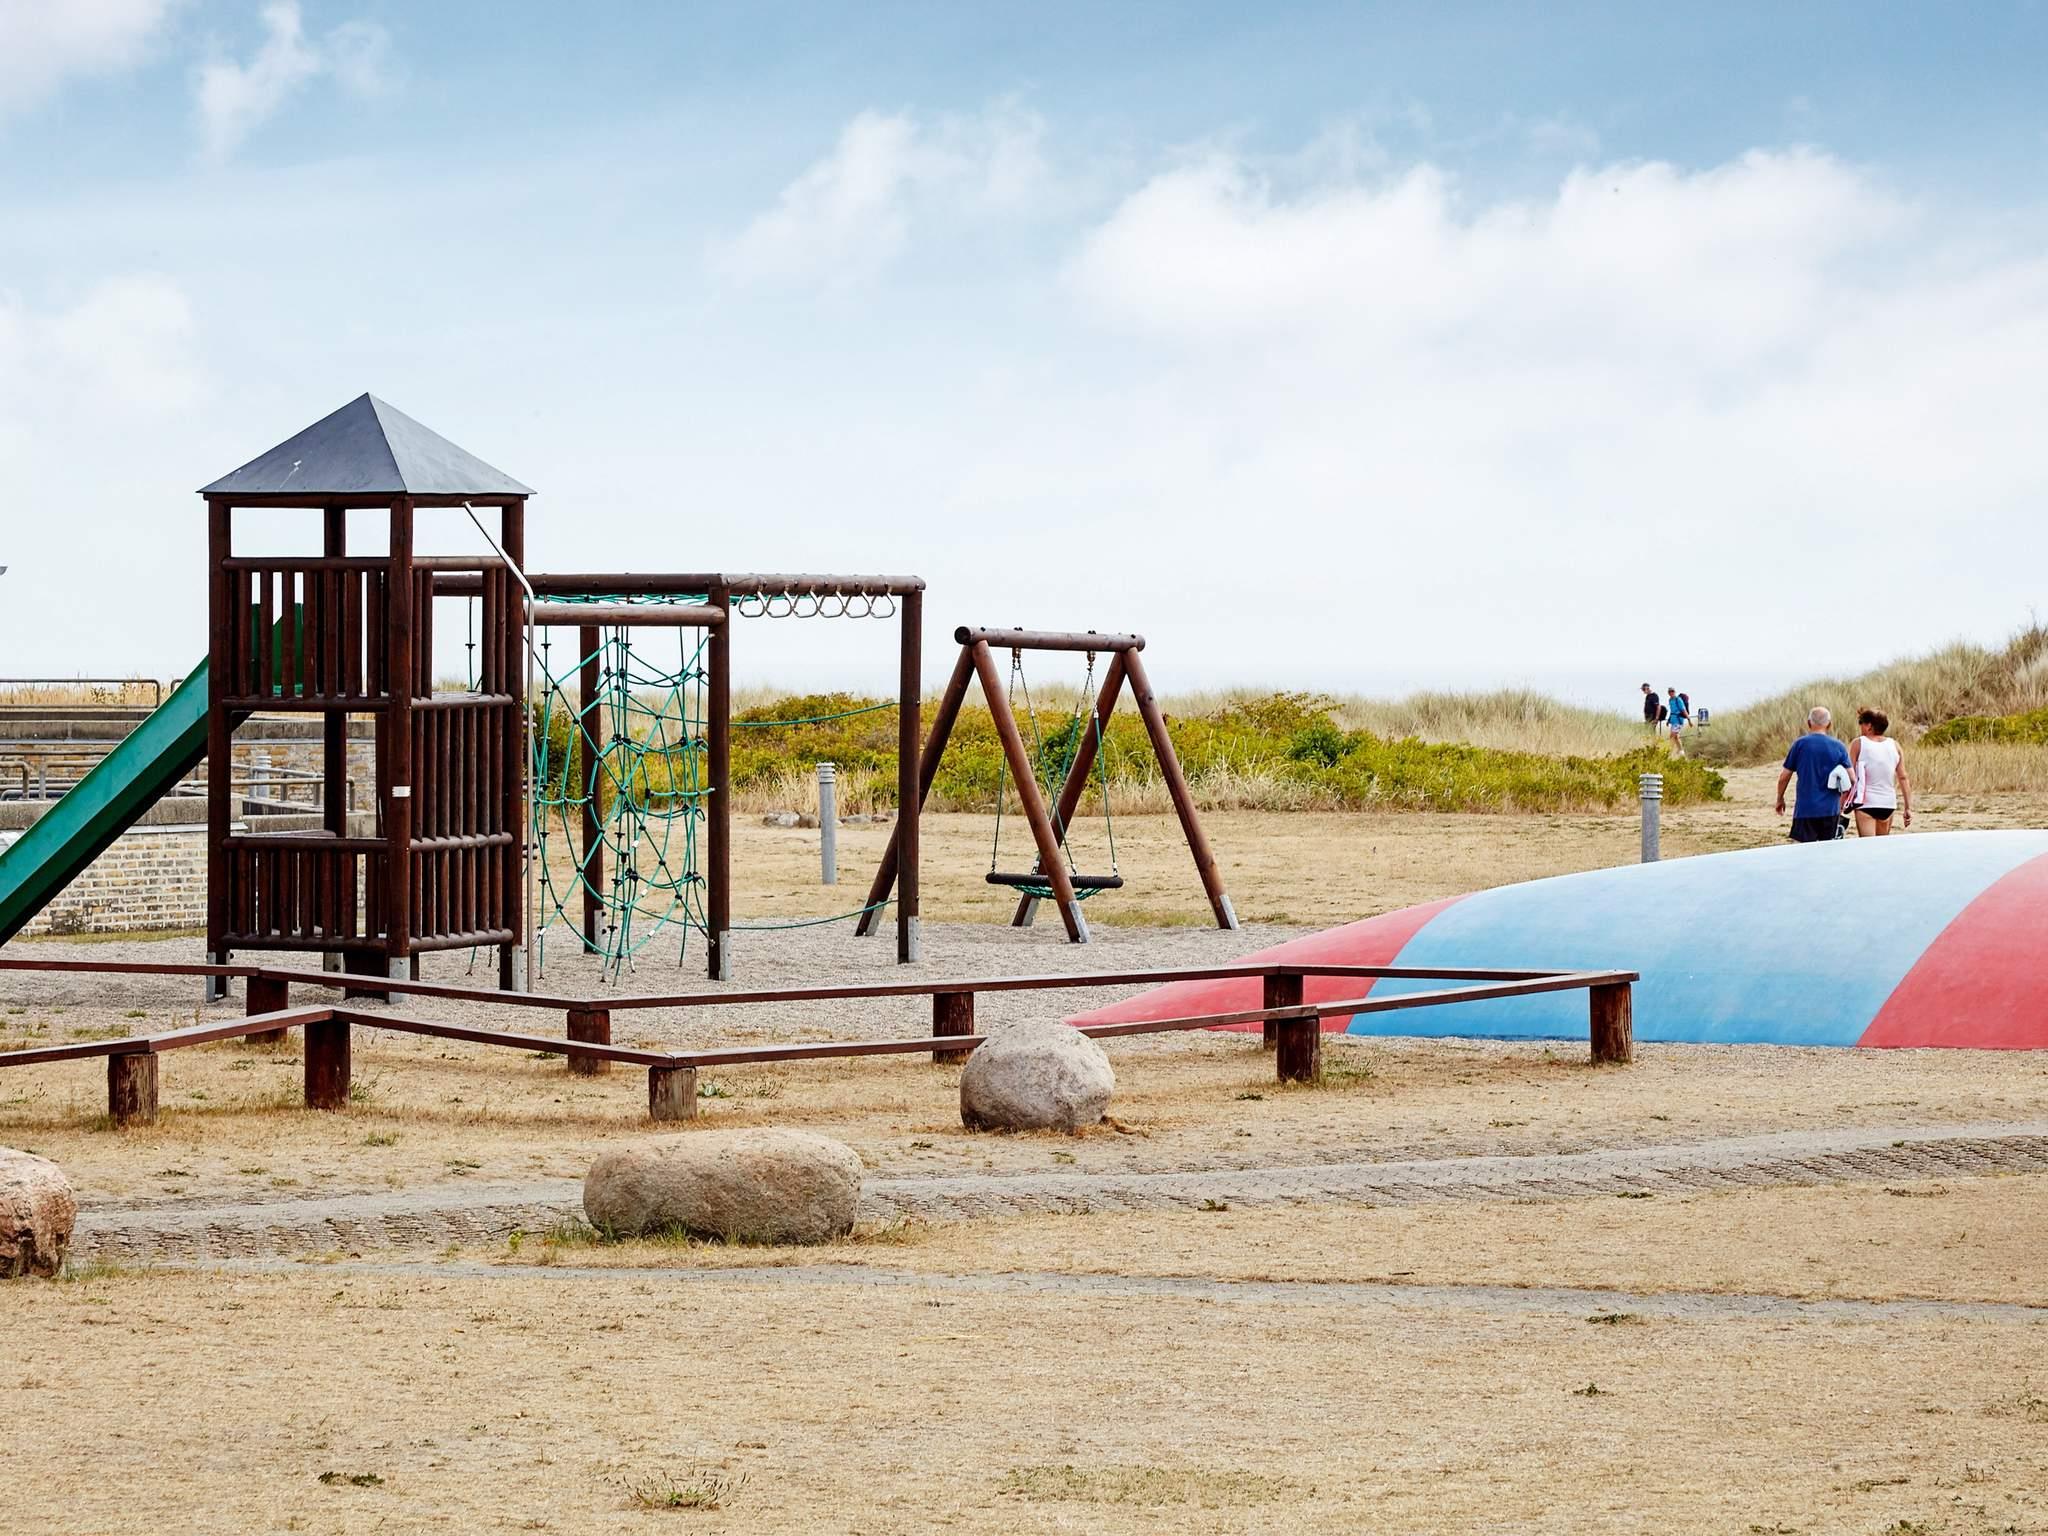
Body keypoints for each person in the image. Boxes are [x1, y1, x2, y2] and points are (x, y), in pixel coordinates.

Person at [1776, 706, 1852, 843]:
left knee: (1803, 850)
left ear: (1809, 723)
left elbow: (1784, 777)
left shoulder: (1800, 744)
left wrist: (1780, 798)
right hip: (1830, 809)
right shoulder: (1838, 746)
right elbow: (1851, 778)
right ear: (1829, 724)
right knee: (1828, 850)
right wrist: (1841, 802)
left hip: (1806, 809)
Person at [1848, 707, 1911, 836]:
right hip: (1888, 803)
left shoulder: (1858, 743)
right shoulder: (1895, 745)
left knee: (1867, 845)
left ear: (1869, 726)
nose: (1860, 727)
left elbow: (1850, 774)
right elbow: (1903, 777)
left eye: (1861, 723)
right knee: (1882, 845)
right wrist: (1907, 807)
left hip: (1866, 803)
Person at [1665, 687, 1689, 755]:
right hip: (1673, 720)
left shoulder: (1678, 699)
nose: (1671, 693)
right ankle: (1680, 751)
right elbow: (1672, 711)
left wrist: (1689, 719)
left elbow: (1683, 709)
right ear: (1668, 693)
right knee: (1676, 737)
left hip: (1678, 720)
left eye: (1672, 691)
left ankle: (1671, 752)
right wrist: (1668, 720)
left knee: (1672, 736)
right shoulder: (1670, 700)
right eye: (1670, 691)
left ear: (1675, 692)